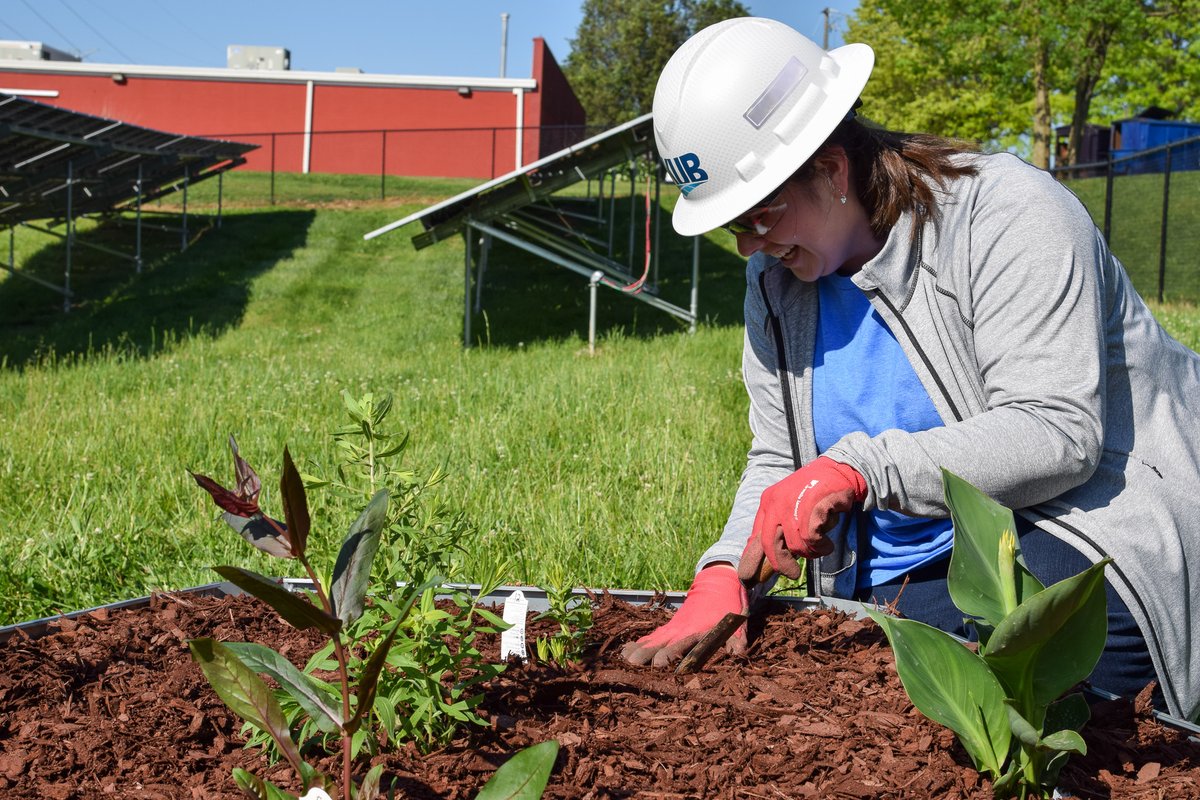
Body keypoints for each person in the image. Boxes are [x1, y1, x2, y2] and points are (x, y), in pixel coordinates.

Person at [621, 16, 1200, 724]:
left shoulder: (1008, 215)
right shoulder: (776, 280)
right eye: (731, 226)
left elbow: (1058, 433)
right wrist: (723, 570)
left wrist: (859, 469)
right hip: (903, 584)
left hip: (1087, 532)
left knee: (993, 706)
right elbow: (779, 455)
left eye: (760, 215)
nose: (748, 246)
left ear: (832, 170)